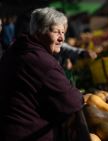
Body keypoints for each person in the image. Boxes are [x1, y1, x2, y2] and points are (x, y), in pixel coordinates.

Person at [0, 7, 90, 141]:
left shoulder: (19, 47)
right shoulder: (41, 62)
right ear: (38, 32)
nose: (61, 38)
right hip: (28, 134)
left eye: (63, 32)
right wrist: (79, 95)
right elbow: (71, 101)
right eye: (56, 32)